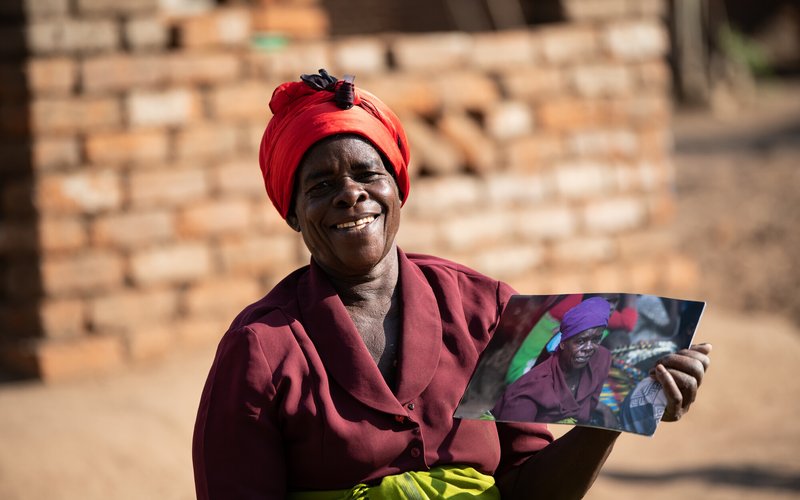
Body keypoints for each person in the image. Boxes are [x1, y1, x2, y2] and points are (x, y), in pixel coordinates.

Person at [192, 70, 712, 499]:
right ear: (292, 214)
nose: (351, 195)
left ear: (398, 187)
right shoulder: (260, 349)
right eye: (321, 186)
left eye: (367, 175)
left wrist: (613, 409)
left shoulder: (485, 309)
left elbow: (530, 489)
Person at [492, 298, 615, 426]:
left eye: (596, 339)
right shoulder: (530, 392)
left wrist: (603, 409)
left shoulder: (602, 359)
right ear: (562, 343)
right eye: (580, 341)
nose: (589, 348)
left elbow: (589, 408)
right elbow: (516, 439)